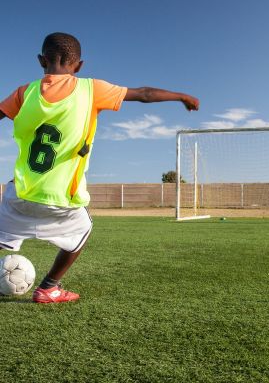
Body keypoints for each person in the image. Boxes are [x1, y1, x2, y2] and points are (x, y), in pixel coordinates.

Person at [0, 32, 199, 303]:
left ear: (40, 61)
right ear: (79, 65)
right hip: (62, 199)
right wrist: (181, 96)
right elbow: (143, 94)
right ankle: (49, 288)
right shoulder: (91, 88)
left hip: (19, 194)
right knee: (83, 229)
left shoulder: (24, 93)